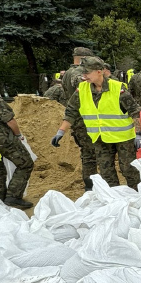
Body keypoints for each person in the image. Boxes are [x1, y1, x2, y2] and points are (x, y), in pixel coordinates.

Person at [51, 57, 141, 190]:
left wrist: (139, 134)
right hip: (100, 138)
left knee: (128, 169)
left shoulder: (118, 88)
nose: (84, 76)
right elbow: (71, 111)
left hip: (123, 138)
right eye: (83, 73)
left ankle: (138, 196)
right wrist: (61, 132)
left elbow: (134, 111)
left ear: (99, 71)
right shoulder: (82, 89)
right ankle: (114, 200)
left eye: (88, 73)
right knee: (106, 172)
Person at [61, 46, 98, 190]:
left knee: (88, 153)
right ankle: (90, 185)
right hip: (84, 119)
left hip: (78, 119)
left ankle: (91, 183)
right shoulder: (78, 74)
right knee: (90, 154)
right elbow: (86, 89)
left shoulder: (67, 73)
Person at [0, 92, 34, 209]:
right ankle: (13, 197)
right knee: (25, 163)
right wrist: (18, 135)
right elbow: (9, 120)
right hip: (2, 138)